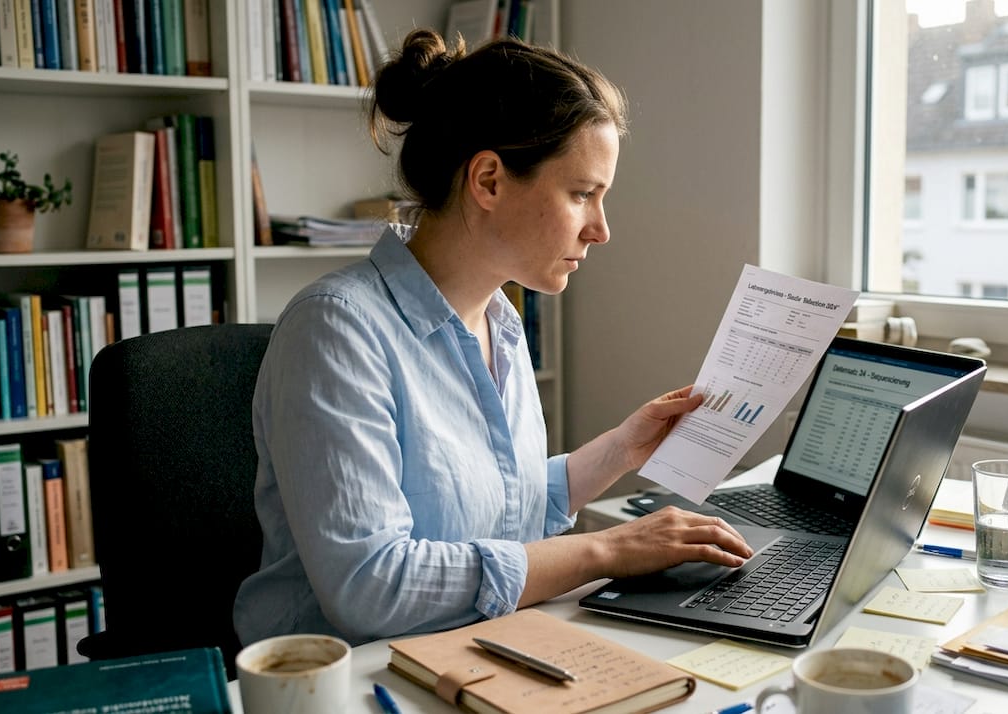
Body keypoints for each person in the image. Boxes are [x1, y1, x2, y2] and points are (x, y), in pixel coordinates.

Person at [232, 28, 753, 647]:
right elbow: (372, 587)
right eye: (583, 194)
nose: (601, 230)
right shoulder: (336, 330)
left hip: (474, 649)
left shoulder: (500, 323)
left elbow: (502, 509)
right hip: (346, 677)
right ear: (488, 181)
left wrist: (621, 448)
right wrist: (608, 550)